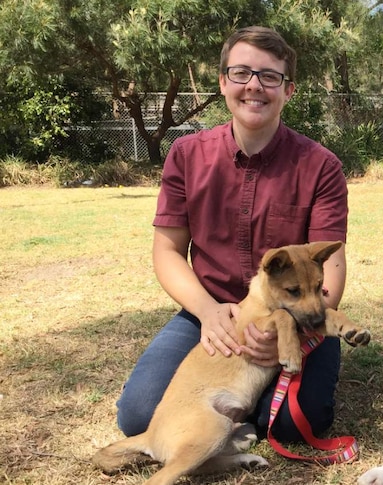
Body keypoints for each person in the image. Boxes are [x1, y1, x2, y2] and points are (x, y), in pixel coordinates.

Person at [115, 26, 350, 445]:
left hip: (297, 314)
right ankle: (231, 416)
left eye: (270, 76)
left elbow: (331, 265)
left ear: (288, 90)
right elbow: (167, 251)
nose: (254, 86)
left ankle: (251, 409)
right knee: (140, 416)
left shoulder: (321, 165)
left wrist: (291, 331)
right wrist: (208, 313)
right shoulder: (186, 155)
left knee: (297, 424)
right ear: (223, 82)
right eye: (241, 73)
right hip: (210, 312)